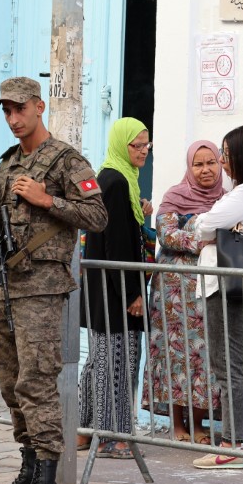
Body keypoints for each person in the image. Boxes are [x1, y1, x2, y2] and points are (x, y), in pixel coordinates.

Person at [0, 77, 107, 484]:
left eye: (19, 109)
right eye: (6, 111)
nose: (13, 119)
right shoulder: (8, 164)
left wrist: (47, 199)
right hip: (7, 288)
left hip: (43, 289)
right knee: (11, 385)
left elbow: (97, 216)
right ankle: (29, 472)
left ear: (39, 106)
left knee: (37, 384)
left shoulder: (66, 160)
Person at [190, 125, 243, 470]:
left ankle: (232, 443)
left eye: (225, 154)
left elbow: (205, 225)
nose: (223, 162)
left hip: (228, 288)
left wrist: (204, 225)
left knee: (228, 367)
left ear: (241, 155)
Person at [79, 117, 153, 459]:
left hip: (102, 288)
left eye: (147, 145)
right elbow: (118, 245)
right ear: (122, 145)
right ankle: (114, 436)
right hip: (116, 291)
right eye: (137, 146)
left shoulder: (111, 177)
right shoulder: (118, 182)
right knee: (119, 362)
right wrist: (132, 294)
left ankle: (84, 429)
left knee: (99, 360)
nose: (143, 152)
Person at [145, 140, 224, 444]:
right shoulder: (175, 196)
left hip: (208, 291)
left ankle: (199, 421)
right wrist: (203, 238)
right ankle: (178, 423)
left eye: (211, 163)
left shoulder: (226, 199)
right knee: (175, 355)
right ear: (189, 167)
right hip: (173, 294)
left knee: (203, 356)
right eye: (198, 164)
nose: (205, 170)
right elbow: (166, 235)